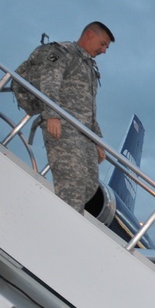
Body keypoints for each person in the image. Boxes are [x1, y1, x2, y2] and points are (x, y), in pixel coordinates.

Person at [39, 21, 114, 212]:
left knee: (89, 184)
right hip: (64, 127)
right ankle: (65, 231)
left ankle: (68, 223)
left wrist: (97, 140)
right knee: (72, 181)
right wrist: (51, 115)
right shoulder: (64, 52)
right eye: (103, 43)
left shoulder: (90, 67)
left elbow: (90, 107)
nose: (104, 50)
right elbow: (49, 83)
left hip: (85, 134)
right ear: (89, 34)